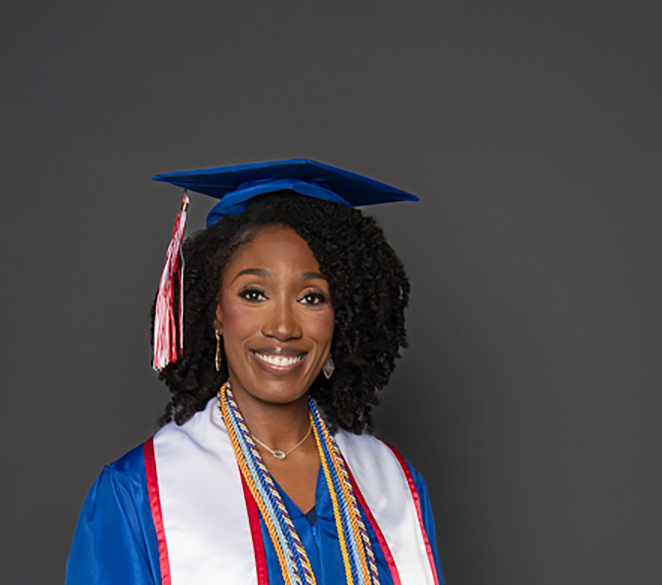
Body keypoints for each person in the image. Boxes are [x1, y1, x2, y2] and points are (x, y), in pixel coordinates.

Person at [66, 159, 443, 585]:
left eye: (312, 298)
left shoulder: (393, 485)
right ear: (215, 312)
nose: (283, 326)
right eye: (254, 293)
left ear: (342, 317)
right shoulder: (138, 493)